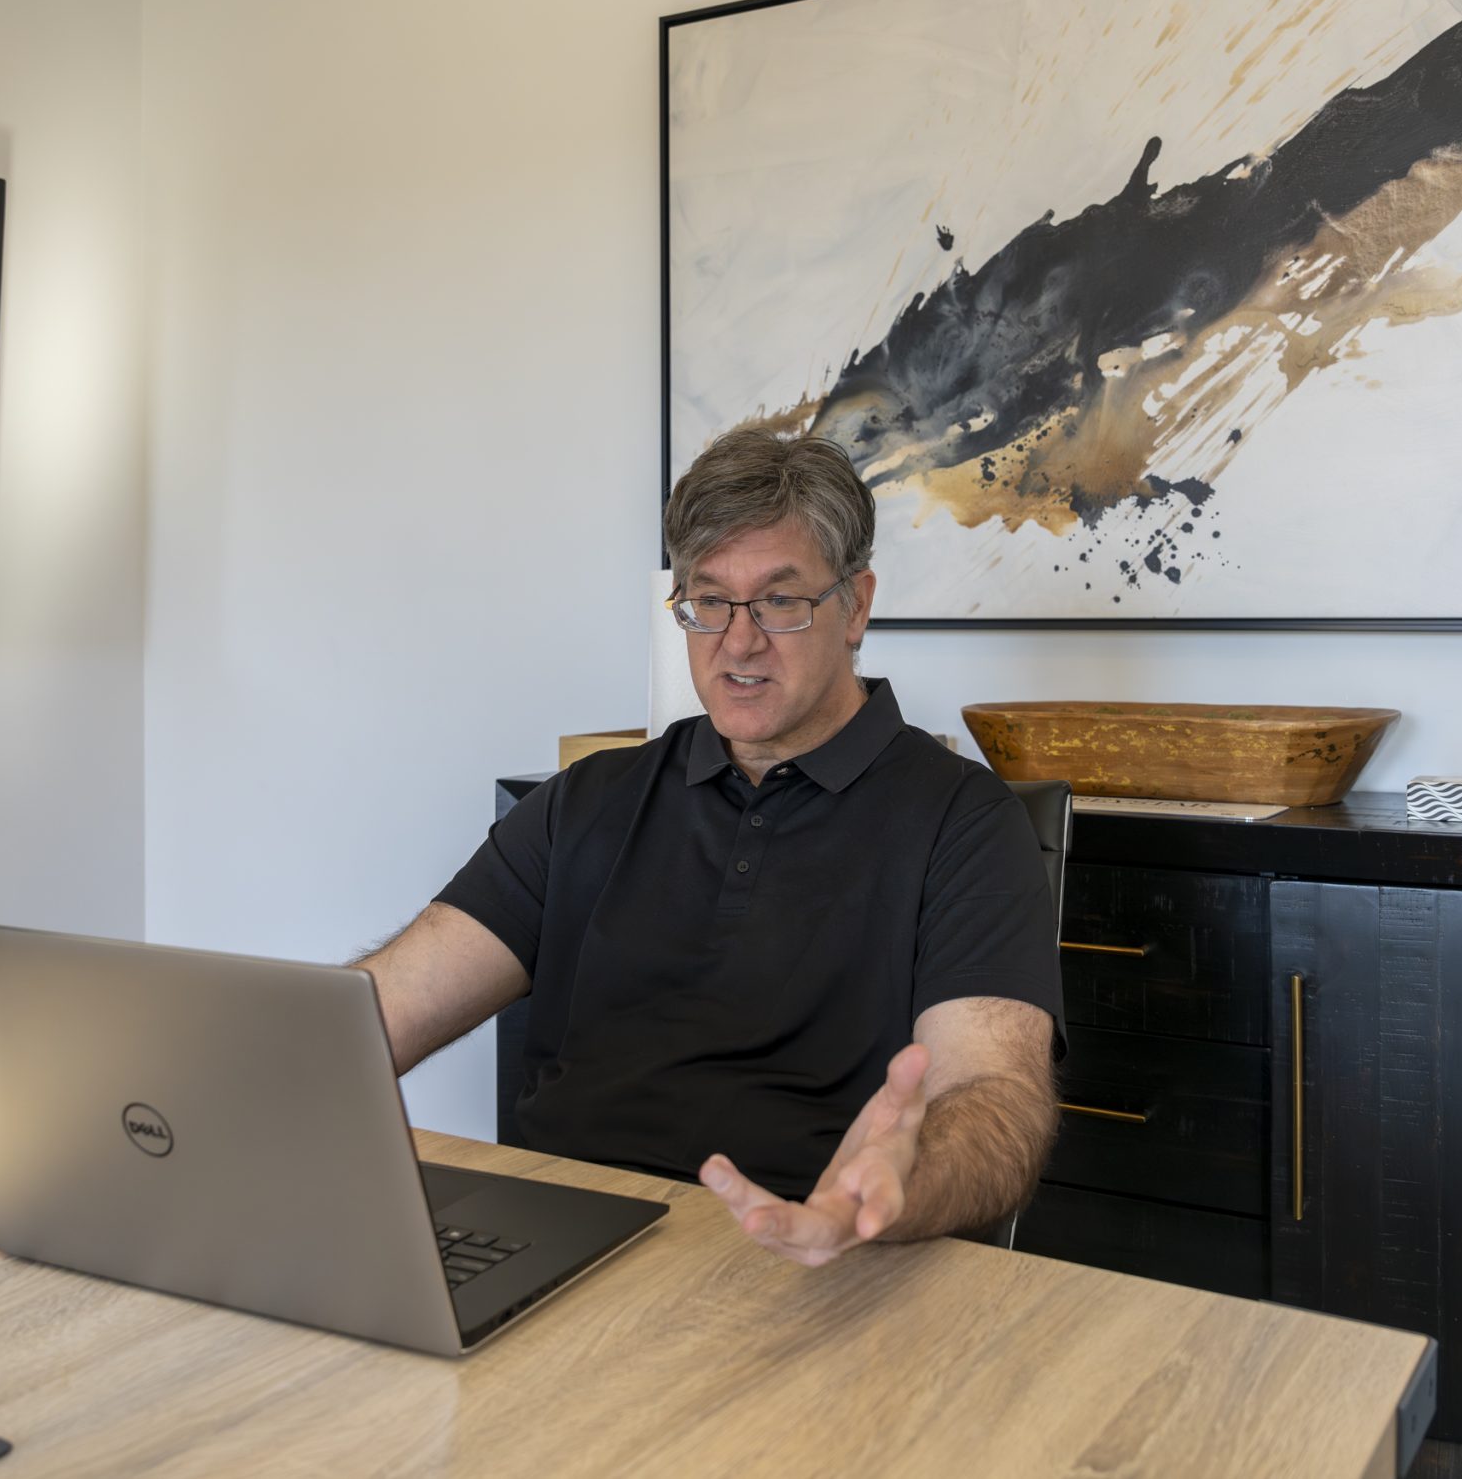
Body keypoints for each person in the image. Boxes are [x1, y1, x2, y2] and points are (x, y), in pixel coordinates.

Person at [355, 426, 1061, 1267]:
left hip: (802, 1259)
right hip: (550, 1242)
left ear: (856, 604)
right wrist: (211, 1082)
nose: (738, 640)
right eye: (708, 600)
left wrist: (898, 1184)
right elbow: (377, 1013)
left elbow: (997, 1098)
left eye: (779, 599)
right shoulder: (586, 799)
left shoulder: (964, 821)